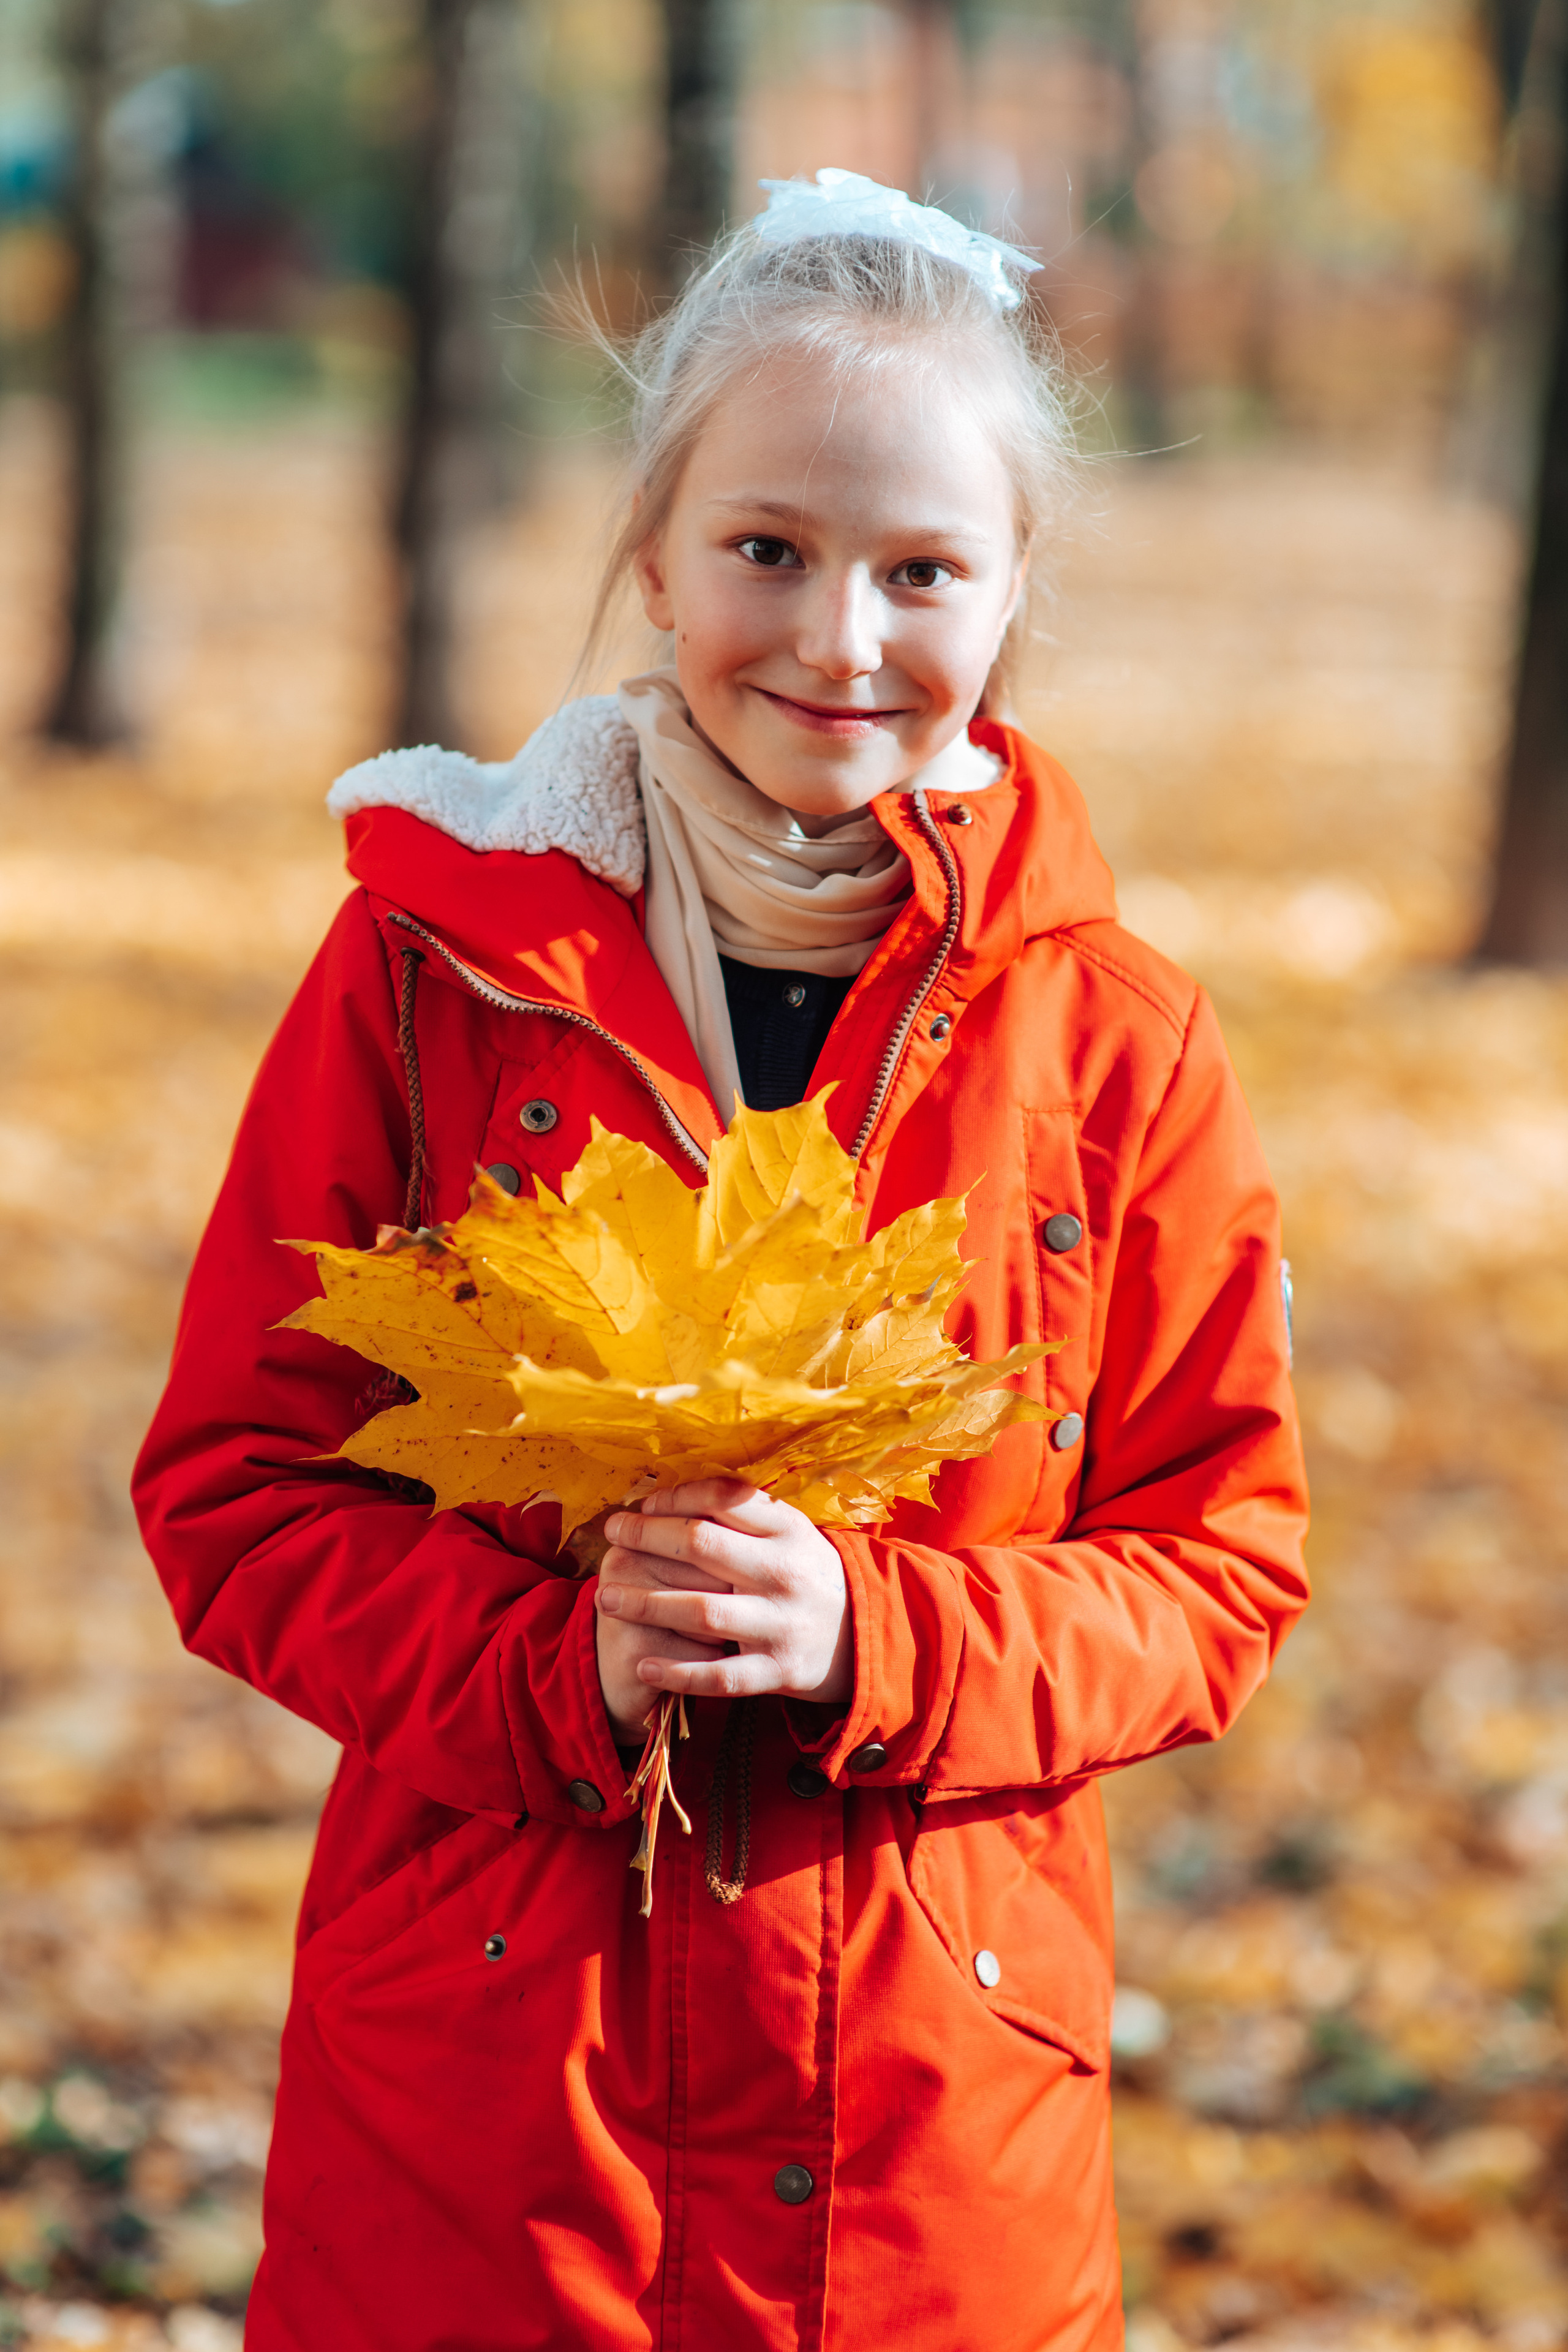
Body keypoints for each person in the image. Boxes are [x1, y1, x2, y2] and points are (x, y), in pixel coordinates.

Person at [134, 169, 1309, 2352]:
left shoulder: (1116, 1037)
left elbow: (1219, 1562)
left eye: (922, 569)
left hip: (930, 2138)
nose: (840, 638)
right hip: (490, 2127)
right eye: (767, 548)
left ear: (1012, 585)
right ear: (654, 553)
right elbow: (237, 1489)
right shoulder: (429, 976)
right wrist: (540, 1671)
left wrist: (887, 1636)